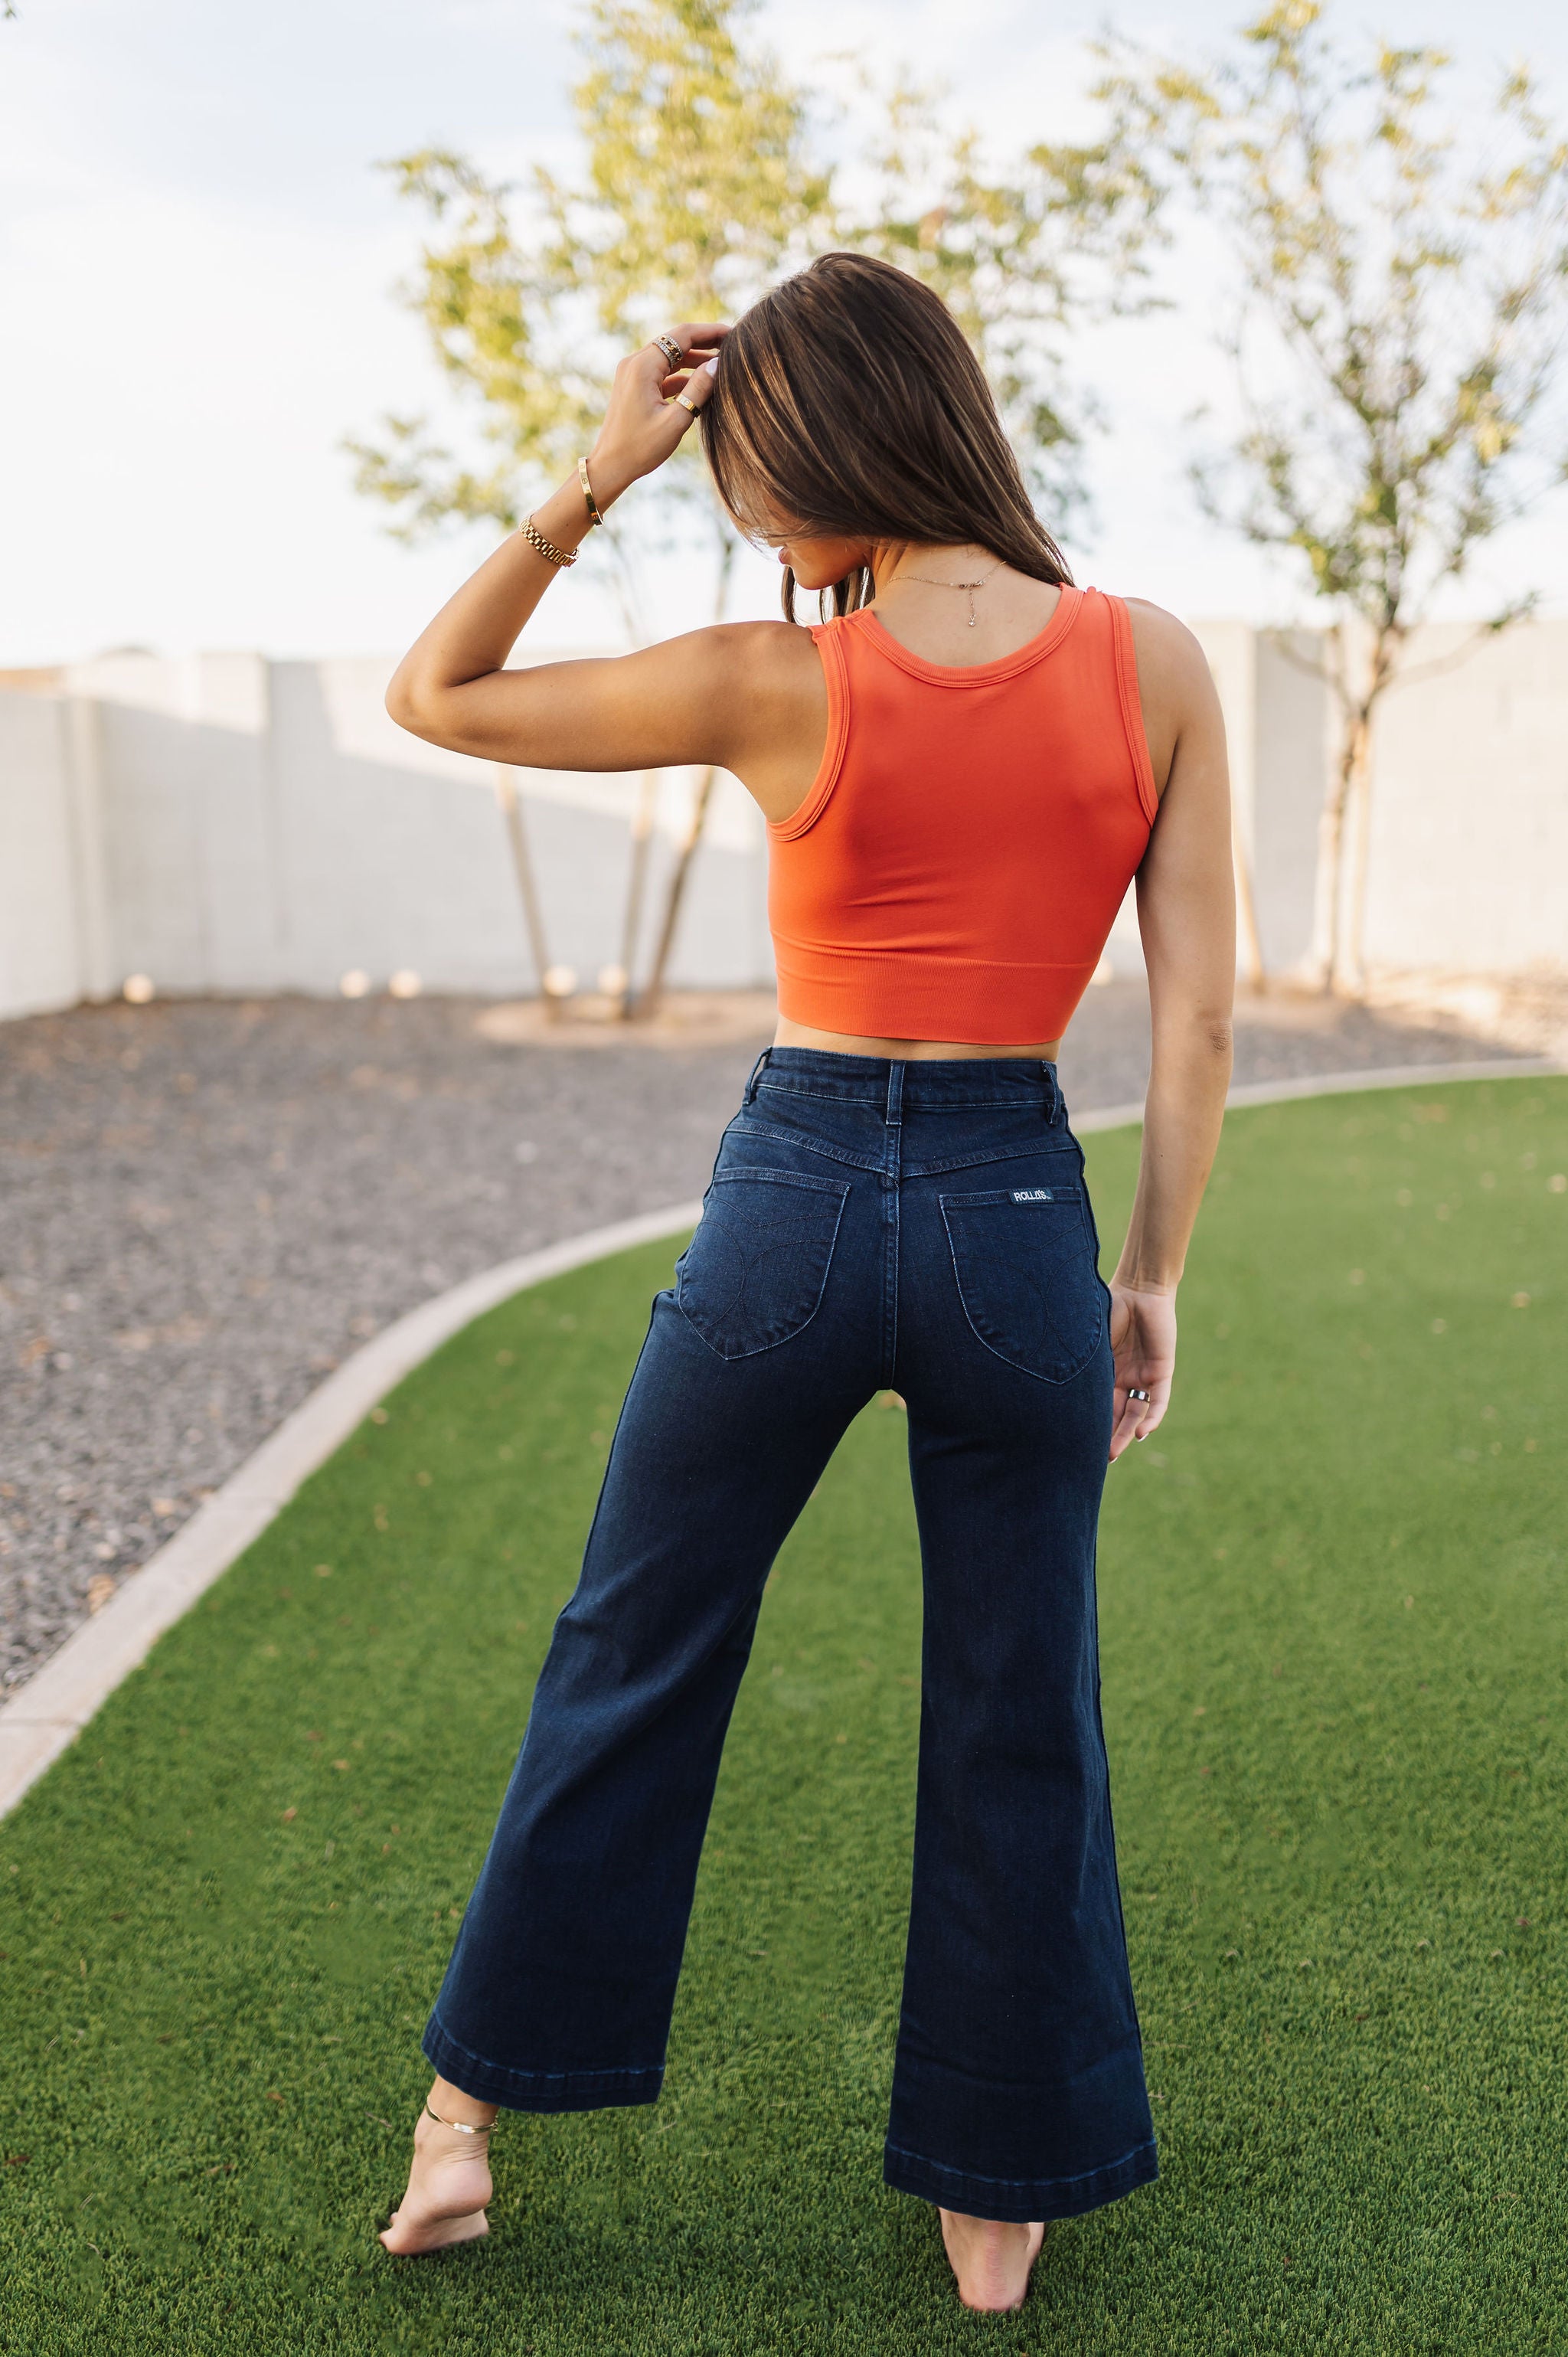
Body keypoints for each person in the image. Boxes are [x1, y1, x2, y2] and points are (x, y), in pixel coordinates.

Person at [376, 252, 1233, 2315]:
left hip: (797, 1197)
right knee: (1025, 1703)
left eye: (752, 469)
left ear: (843, 437)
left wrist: (591, 481)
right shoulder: (1157, 662)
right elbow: (1198, 1018)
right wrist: (1152, 1277)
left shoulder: (778, 682)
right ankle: (995, 2210)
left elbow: (438, 694)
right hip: (1023, 1218)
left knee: (632, 1647)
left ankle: (461, 2128)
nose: (744, 510)